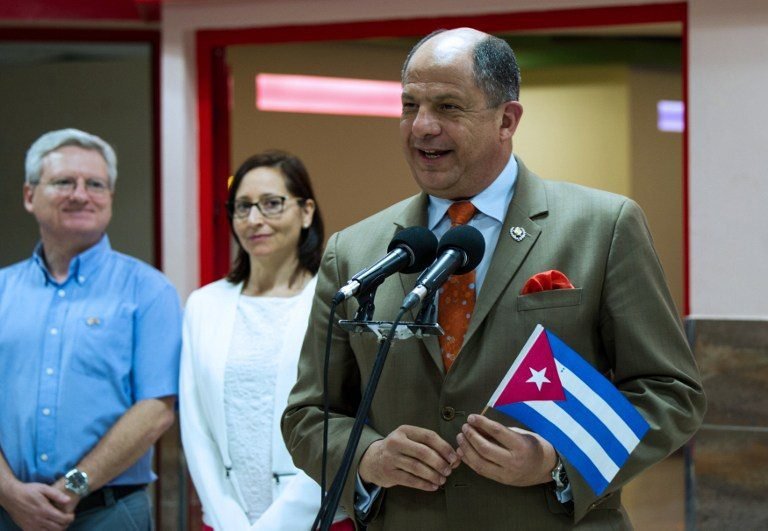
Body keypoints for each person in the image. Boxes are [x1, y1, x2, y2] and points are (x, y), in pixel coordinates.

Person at [282, 28, 706, 529]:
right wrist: (368, 458)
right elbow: (308, 414)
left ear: (507, 119)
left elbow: (669, 392)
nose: (421, 127)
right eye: (409, 106)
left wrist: (555, 458)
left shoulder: (602, 227)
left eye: (448, 107)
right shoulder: (356, 252)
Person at [0, 128, 182, 530]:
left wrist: (73, 486)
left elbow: (156, 409)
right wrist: (8, 491)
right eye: (64, 182)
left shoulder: (149, 291)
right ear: (30, 195)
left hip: (110, 514)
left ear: (110, 199)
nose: (80, 194)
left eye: (95, 184)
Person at [180, 150, 351, 529]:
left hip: (317, 517)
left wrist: (279, 524)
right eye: (242, 207)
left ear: (306, 211)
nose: (255, 219)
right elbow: (195, 428)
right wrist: (227, 519)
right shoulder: (204, 305)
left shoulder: (338, 301)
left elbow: (340, 423)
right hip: (226, 520)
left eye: (272, 204)